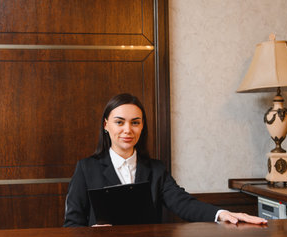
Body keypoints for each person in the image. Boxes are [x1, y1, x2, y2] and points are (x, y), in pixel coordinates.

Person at [63, 93, 267, 227]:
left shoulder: (156, 169)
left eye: (135, 122)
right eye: (119, 122)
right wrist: (91, 233)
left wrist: (222, 213)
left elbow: (183, 204)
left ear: (142, 127)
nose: (128, 130)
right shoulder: (86, 168)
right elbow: (72, 223)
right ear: (106, 125)